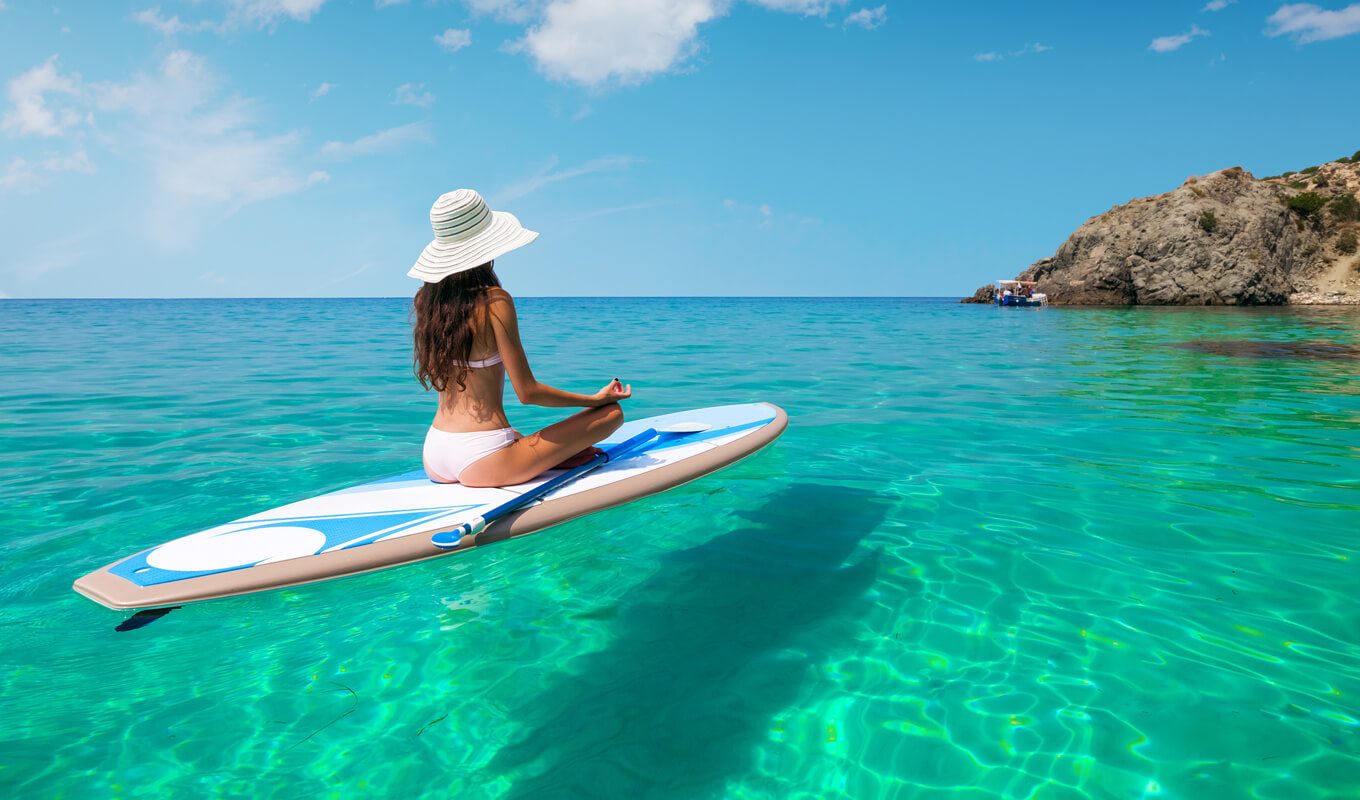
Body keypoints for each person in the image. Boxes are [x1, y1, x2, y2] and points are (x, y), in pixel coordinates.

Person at [409, 189, 631, 487]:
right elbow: (528, 392)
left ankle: (549, 455)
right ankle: (555, 452)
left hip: (435, 452)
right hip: (483, 456)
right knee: (611, 415)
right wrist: (594, 400)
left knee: (518, 436)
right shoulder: (495, 301)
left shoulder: (426, 301)